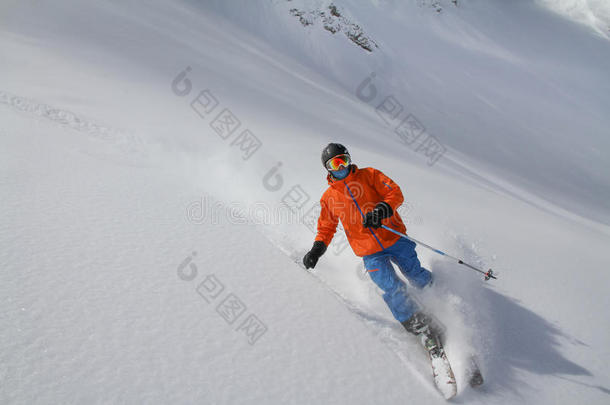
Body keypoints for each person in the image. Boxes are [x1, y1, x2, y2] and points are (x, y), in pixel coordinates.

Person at [303, 143, 439, 343]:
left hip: (394, 238)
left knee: (414, 273)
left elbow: (395, 193)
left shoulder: (370, 175)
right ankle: (416, 322)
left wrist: (381, 210)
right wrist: (317, 249)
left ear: (350, 159)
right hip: (369, 252)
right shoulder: (329, 198)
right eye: (335, 163)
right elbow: (326, 227)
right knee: (390, 286)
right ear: (328, 169)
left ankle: (437, 295)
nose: (341, 167)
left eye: (344, 160)